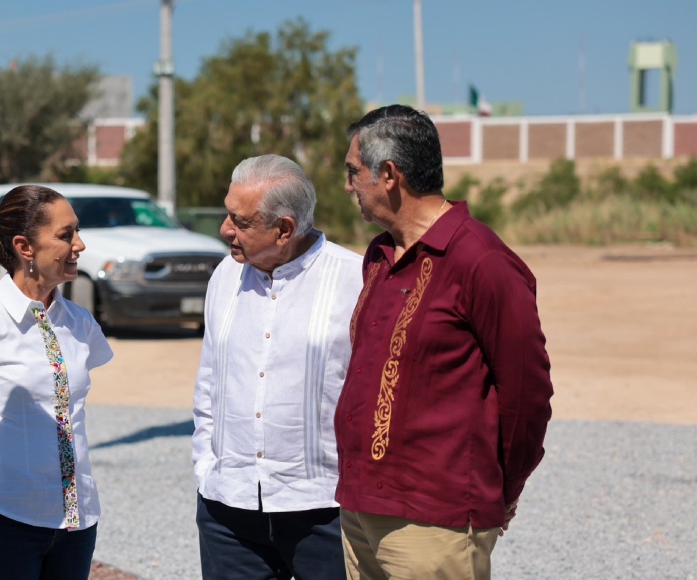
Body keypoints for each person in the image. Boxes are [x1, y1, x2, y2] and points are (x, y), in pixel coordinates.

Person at [335, 104, 553, 579]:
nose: (348, 186)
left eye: (353, 172)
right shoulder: (379, 255)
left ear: (389, 175)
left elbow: (527, 395)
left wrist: (502, 487)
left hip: (435, 520)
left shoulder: (482, 260)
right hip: (359, 508)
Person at [192, 154, 364, 580]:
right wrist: (206, 466)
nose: (225, 229)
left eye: (240, 221)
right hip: (228, 508)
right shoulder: (224, 276)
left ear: (284, 229)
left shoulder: (356, 280)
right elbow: (210, 381)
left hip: (324, 509)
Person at [0, 185, 113, 580]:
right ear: (24, 247)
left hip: (78, 520)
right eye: (65, 234)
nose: (79, 244)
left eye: (77, 231)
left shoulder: (81, 323)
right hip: (5, 518)